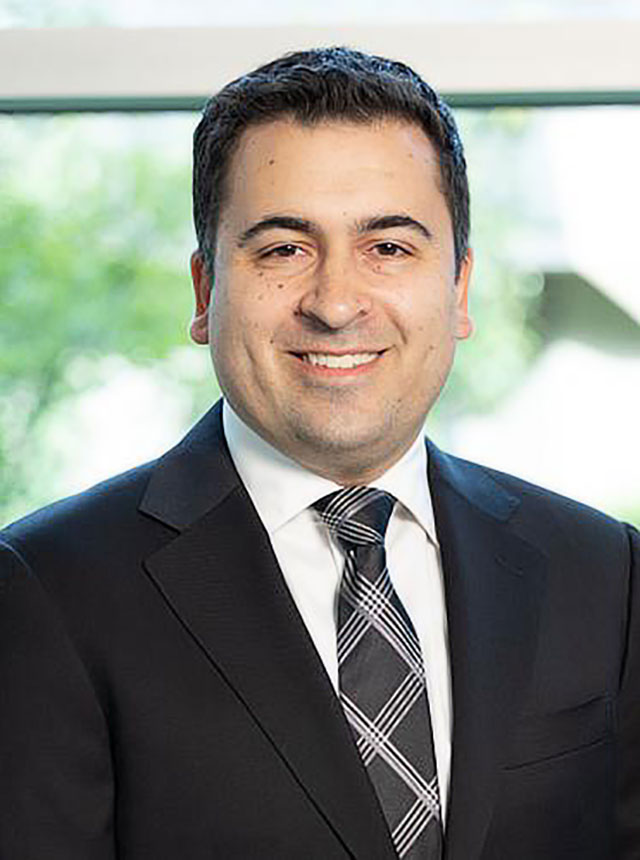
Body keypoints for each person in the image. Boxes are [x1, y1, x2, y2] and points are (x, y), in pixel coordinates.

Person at [1, 46, 638, 860]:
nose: (336, 303)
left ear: (461, 289)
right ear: (204, 294)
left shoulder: (607, 575)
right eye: (283, 249)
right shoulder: (44, 591)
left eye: (390, 248)